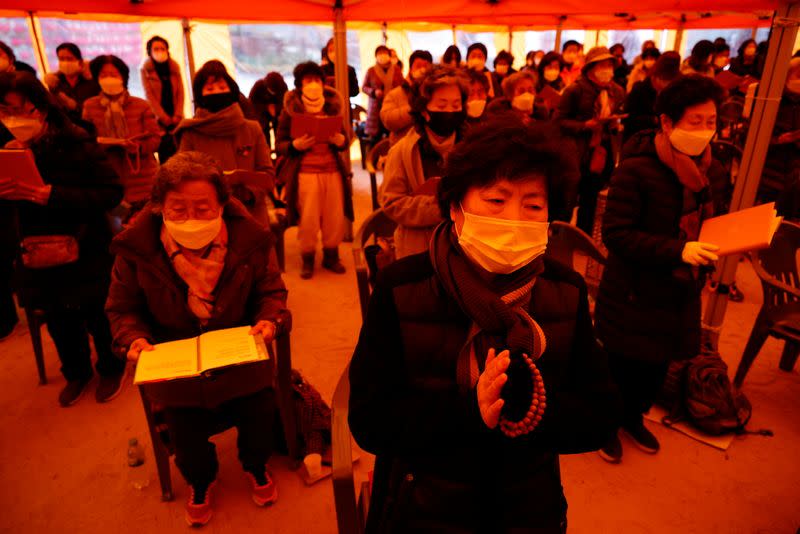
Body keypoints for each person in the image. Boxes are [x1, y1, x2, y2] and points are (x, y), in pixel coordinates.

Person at [350, 117, 620, 533]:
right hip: (424, 499)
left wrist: (535, 409)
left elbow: (599, 417)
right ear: (456, 207)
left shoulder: (565, 291)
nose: (514, 219)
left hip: (527, 503)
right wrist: (467, 412)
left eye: (532, 205)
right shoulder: (401, 288)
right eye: (496, 201)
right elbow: (370, 420)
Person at [106, 151, 290, 527]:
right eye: (178, 210)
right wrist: (134, 339)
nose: (191, 220)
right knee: (185, 439)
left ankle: (256, 467)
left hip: (239, 354)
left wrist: (269, 320)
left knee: (259, 416)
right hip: (177, 366)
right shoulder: (136, 250)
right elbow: (122, 308)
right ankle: (201, 482)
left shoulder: (251, 241)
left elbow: (270, 292)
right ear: (158, 208)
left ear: (223, 203)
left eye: (203, 208)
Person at [595, 75, 727, 463]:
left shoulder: (712, 170)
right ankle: (605, 425)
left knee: (654, 367)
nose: (704, 131)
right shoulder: (636, 169)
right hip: (633, 290)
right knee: (621, 363)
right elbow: (616, 234)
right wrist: (677, 250)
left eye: (711, 121)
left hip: (679, 289)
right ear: (667, 123)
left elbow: (712, 218)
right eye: (695, 122)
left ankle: (633, 418)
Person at [0, 72, 125, 406]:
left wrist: (53, 195)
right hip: (34, 250)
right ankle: (77, 372)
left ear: (41, 107)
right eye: (5, 111)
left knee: (97, 312)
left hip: (84, 244)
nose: (14, 119)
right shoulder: (6, 149)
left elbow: (111, 192)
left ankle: (112, 366)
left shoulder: (77, 141)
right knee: (57, 317)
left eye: (22, 109)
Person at [379, 65, 469, 258]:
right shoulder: (403, 151)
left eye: (456, 105)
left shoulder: (472, 147)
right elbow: (391, 203)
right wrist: (443, 208)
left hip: (467, 248)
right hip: (418, 250)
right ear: (424, 110)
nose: (450, 112)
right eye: (442, 105)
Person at [276, 62, 352, 279]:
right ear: (299, 85)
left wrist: (340, 140)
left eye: (317, 80)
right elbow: (279, 143)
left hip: (332, 171)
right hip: (305, 173)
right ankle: (307, 257)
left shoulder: (332, 106)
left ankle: (331, 255)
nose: (313, 84)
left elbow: (346, 138)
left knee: (334, 217)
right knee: (308, 219)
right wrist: (294, 146)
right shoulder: (291, 110)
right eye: (308, 80)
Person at [175, 61, 274, 227]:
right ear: (200, 95)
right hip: (208, 219)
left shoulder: (251, 128)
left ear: (232, 90)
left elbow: (267, 173)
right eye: (210, 89)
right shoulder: (190, 132)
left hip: (251, 218)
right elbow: (180, 177)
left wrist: (250, 194)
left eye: (222, 88)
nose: (217, 93)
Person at [557, 46, 625, 234]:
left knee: (591, 197)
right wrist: (584, 125)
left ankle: (582, 236)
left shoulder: (616, 91)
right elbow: (559, 121)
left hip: (601, 151)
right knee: (568, 198)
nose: (607, 69)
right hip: (576, 151)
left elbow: (616, 112)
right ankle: (559, 236)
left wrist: (612, 124)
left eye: (610, 65)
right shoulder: (575, 90)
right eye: (602, 65)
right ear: (591, 68)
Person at [83, 55, 161, 218]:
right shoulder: (90, 106)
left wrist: (137, 148)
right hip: (109, 179)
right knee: (119, 231)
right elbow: (86, 142)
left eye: (114, 75)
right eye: (104, 75)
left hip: (142, 178)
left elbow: (155, 139)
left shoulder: (141, 105)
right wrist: (104, 145)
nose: (109, 79)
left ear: (123, 77)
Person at [759, 58, 800, 213]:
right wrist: (778, 140)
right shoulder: (772, 100)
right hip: (769, 169)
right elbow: (753, 137)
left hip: (794, 173)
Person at [141, 36, 185, 164]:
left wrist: (178, 114)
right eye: (156, 49)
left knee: (180, 152)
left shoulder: (174, 68)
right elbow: (149, 96)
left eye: (162, 48)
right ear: (149, 51)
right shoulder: (145, 70)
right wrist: (163, 117)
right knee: (165, 154)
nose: (160, 51)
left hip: (176, 118)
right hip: (159, 120)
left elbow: (181, 92)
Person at [622, 51, 682, 143]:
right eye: (666, 80)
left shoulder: (672, 91)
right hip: (636, 141)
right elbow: (627, 118)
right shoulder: (639, 89)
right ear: (656, 76)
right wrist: (654, 120)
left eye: (671, 81)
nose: (667, 85)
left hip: (661, 141)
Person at [381, 50, 433, 146]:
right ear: (410, 68)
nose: (422, 70)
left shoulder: (434, 94)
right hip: (401, 149)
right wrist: (413, 108)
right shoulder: (395, 94)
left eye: (426, 66)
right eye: (418, 66)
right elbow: (388, 121)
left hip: (429, 150)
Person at [43, 43, 100, 126]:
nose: (65, 63)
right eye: (61, 59)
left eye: (69, 59)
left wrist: (75, 106)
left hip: (90, 127)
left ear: (79, 61)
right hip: (65, 129)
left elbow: (96, 109)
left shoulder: (91, 81)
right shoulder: (55, 82)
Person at [362, 45, 404, 139]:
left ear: (389, 55)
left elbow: (402, 85)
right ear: (376, 56)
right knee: (376, 138)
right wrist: (373, 92)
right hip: (376, 108)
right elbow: (364, 87)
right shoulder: (371, 71)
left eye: (384, 53)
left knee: (392, 136)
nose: (382, 55)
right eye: (379, 53)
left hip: (393, 106)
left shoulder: (396, 70)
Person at [248, 71, 289, 149]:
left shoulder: (283, 86)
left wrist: (276, 108)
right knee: (263, 135)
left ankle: (279, 155)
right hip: (261, 115)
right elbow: (251, 103)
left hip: (277, 115)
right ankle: (266, 152)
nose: (273, 92)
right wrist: (266, 107)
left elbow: (285, 103)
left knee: (279, 133)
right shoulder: (258, 85)